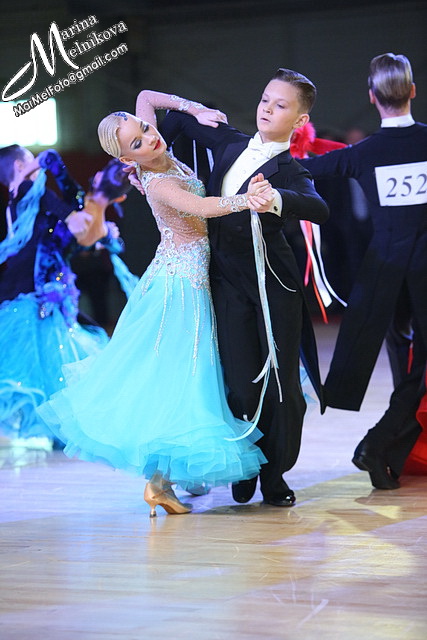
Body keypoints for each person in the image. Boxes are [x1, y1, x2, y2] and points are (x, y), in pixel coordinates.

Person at [37, 98, 272, 517]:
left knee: (183, 376)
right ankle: (159, 482)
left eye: (145, 129)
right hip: (180, 285)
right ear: (127, 159)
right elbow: (203, 208)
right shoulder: (158, 182)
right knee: (183, 377)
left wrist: (195, 111)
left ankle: (167, 479)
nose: (150, 137)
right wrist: (246, 200)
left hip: (183, 274)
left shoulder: (155, 149)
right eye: (137, 142)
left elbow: (145, 97)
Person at [148, 69, 329, 508]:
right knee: (241, 384)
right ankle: (245, 464)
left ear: (300, 120)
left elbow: (318, 207)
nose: (267, 108)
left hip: (274, 284)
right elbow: (166, 119)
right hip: (225, 282)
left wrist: (276, 200)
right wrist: (193, 110)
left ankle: (274, 474)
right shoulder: (229, 142)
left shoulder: (290, 170)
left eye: (280, 105)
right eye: (266, 99)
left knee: (281, 385)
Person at [297, 53, 427, 489]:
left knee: (406, 365)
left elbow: (303, 168)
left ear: (372, 97)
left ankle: (387, 453)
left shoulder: (363, 154)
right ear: (412, 91)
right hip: (424, 272)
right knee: (419, 373)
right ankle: (379, 444)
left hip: (384, 278)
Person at [0, 146, 131, 442]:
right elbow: (64, 210)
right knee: (51, 354)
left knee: (54, 354)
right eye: (31, 159)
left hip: (47, 285)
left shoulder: (27, 198)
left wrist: (96, 233)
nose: (38, 166)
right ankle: (63, 426)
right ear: (20, 166)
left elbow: (68, 217)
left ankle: (62, 426)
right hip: (37, 287)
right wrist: (73, 212)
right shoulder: (29, 193)